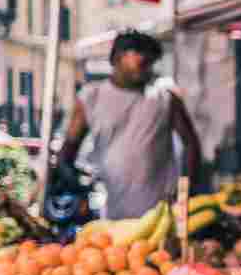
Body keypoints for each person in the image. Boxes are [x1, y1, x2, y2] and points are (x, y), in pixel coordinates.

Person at [58, 30, 202, 220]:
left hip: (162, 213)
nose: (148, 70)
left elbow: (191, 144)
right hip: (112, 212)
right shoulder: (91, 97)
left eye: (151, 64)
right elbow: (68, 151)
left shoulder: (165, 99)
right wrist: (76, 185)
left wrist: (185, 192)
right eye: (143, 63)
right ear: (118, 58)